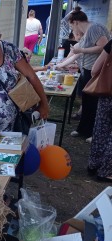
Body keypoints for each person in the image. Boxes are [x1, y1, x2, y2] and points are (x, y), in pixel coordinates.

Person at [67, 7, 110, 141]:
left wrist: (81, 50)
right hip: (89, 69)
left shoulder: (93, 28)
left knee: (93, 102)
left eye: (72, 26)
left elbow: (104, 46)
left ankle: (92, 132)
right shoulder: (89, 30)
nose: (74, 31)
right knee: (87, 101)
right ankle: (84, 129)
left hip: (96, 71)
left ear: (75, 22)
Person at [87, 39, 112, 182]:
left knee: (101, 129)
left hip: (106, 93)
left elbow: (95, 69)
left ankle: (94, 164)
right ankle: (106, 171)